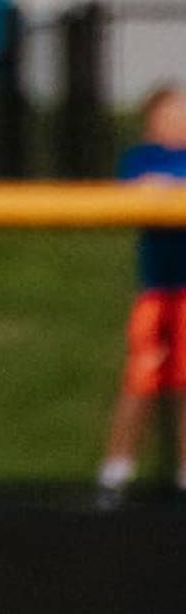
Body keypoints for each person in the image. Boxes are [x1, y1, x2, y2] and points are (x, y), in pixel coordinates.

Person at [97, 83, 186, 497]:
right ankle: (117, 468)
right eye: (170, 114)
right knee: (141, 379)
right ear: (152, 121)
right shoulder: (144, 158)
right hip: (157, 290)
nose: (178, 122)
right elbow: (134, 189)